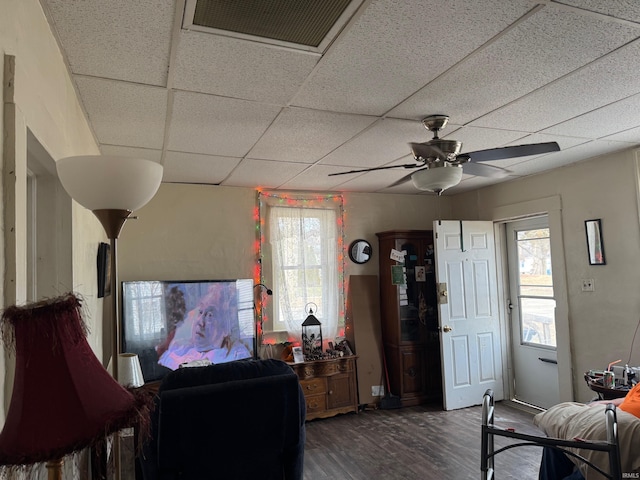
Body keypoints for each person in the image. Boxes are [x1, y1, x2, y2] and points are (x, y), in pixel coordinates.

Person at [538, 381, 640, 480]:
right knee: (555, 441)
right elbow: (630, 398)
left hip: (627, 442)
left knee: (596, 468)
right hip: (604, 425)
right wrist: (604, 403)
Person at [158, 283, 251, 370]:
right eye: (200, 312)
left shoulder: (237, 356)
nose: (200, 322)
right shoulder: (178, 349)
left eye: (210, 315)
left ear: (226, 327)